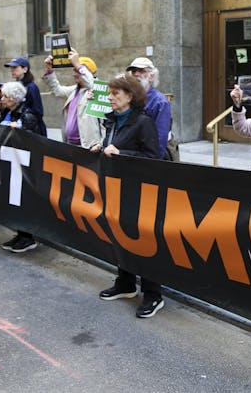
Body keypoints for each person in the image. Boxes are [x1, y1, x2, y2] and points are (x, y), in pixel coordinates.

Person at [90, 74, 163, 318]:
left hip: (139, 191)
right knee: (118, 235)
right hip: (115, 188)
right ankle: (126, 283)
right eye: (109, 94)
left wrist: (122, 152)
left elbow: (153, 158)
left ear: (130, 97)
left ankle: (153, 294)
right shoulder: (111, 121)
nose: (109, 98)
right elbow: (111, 147)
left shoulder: (143, 122)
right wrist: (101, 148)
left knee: (141, 239)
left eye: (115, 94)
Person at [0, 81, 42, 253]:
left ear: (15, 98)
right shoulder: (7, 113)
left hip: (22, 167)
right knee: (12, 200)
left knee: (22, 201)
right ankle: (20, 233)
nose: (2, 99)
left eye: (6, 96)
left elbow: (32, 139)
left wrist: (20, 129)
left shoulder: (27, 115)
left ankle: (27, 237)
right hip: (9, 163)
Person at [42, 49, 102, 149]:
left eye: (77, 70)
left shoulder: (96, 90)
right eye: (74, 69)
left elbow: (92, 83)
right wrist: (50, 70)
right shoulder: (75, 90)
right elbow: (57, 90)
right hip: (71, 145)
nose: (74, 73)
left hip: (88, 147)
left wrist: (78, 65)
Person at [126, 57, 175, 160]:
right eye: (133, 71)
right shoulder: (128, 98)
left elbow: (160, 139)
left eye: (141, 71)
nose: (136, 74)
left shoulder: (160, 102)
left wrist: (153, 165)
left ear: (151, 76)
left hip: (154, 157)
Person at [4, 56, 47, 136]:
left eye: (15, 67)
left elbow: (37, 112)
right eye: (11, 68)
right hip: (15, 128)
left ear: (25, 69)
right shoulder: (14, 86)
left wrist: (21, 123)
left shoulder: (31, 87)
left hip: (31, 132)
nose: (12, 70)